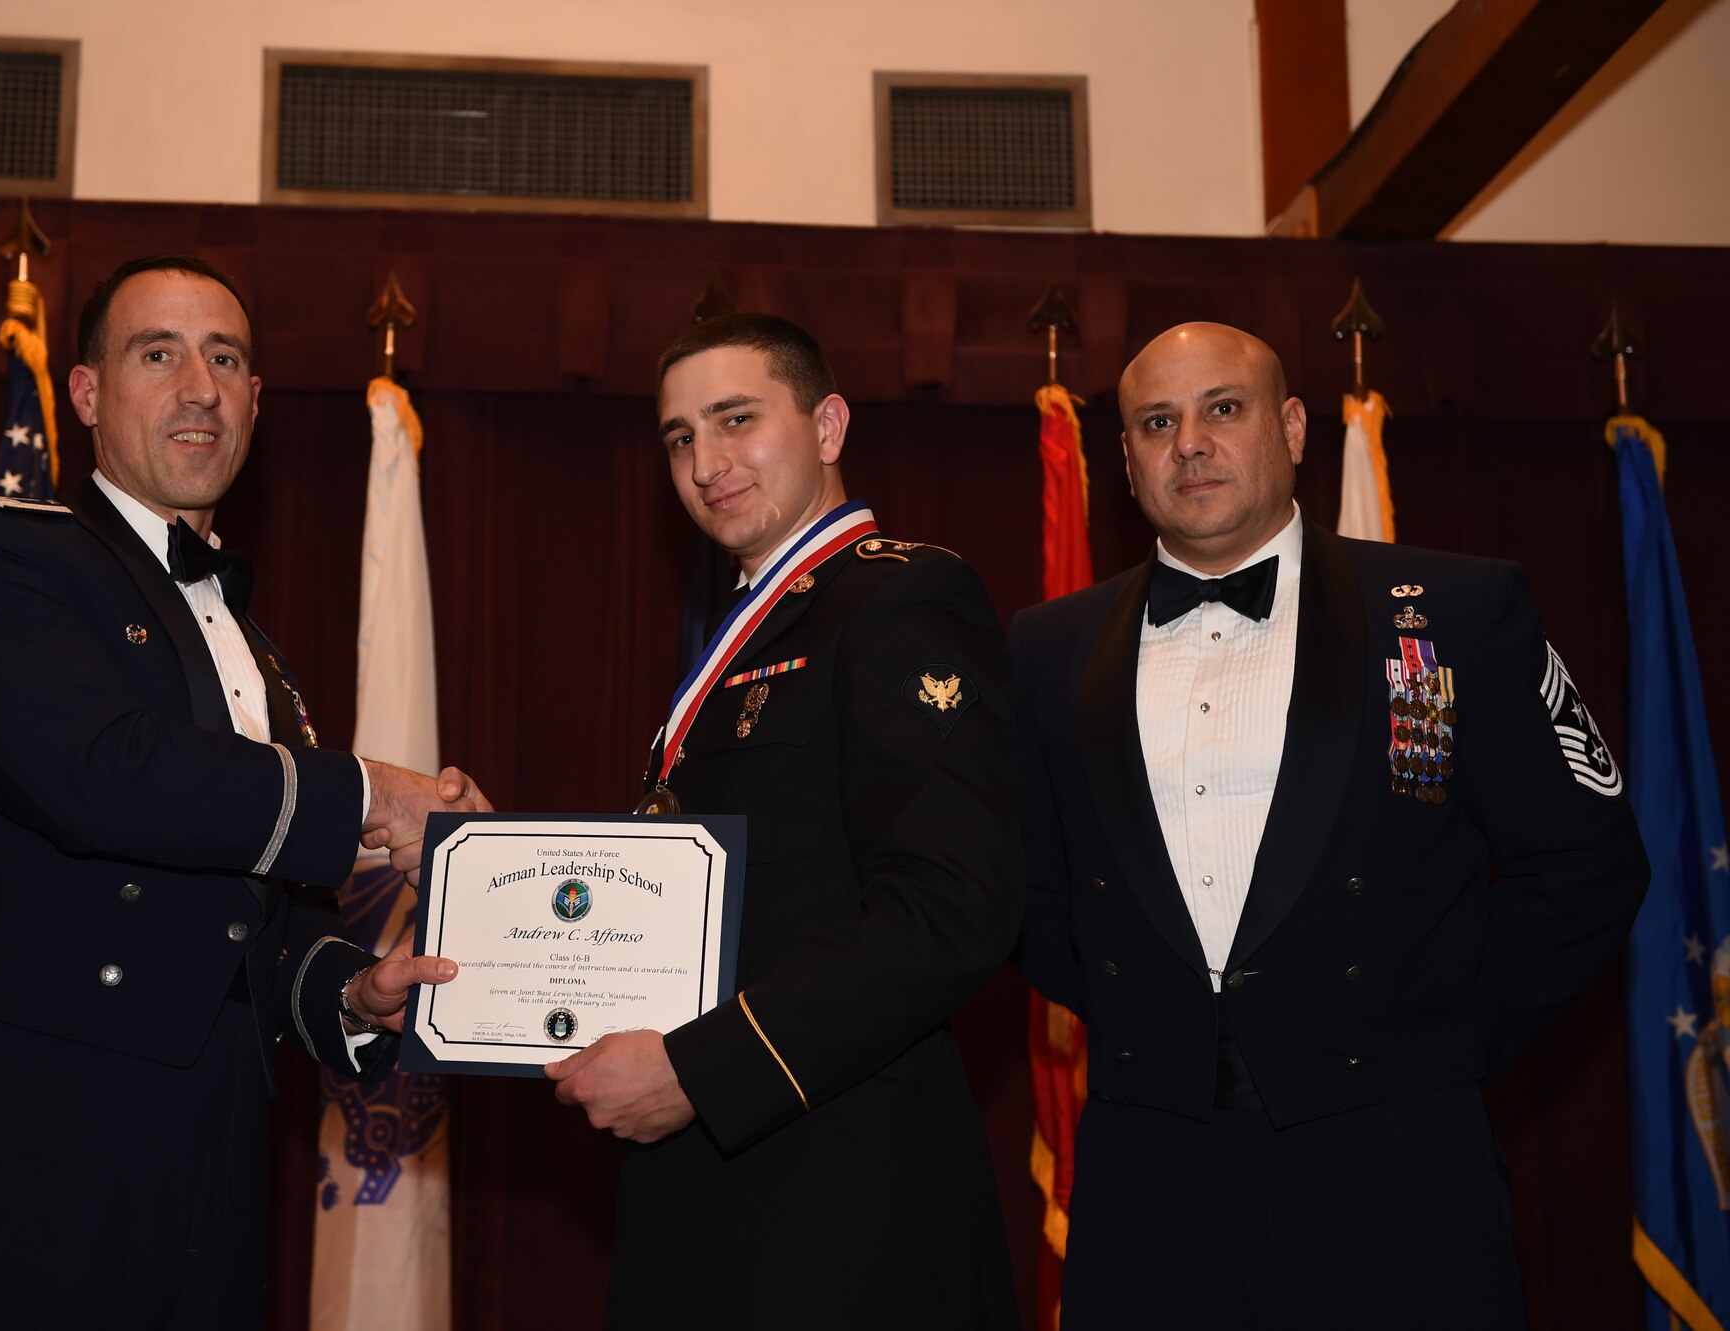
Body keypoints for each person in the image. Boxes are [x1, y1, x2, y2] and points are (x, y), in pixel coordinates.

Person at [0, 255, 483, 1331]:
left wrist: (344, 993)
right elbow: (105, 775)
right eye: (160, 353)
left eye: (225, 358)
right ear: (86, 394)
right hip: (28, 1139)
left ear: (252, 404)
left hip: (214, 1148)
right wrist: (375, 794)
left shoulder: (254, 650)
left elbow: (245, 915)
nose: (199, 385)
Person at [1013, 321, 1650, 1329]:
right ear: (1124, 455)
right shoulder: (1042, 649)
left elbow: (1584, 860)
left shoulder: (1450, 610)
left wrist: (1438, 1035)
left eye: (1222, 407)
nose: (1189, 441)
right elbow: (1028, 889)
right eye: (1155, 421)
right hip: (1148, 1178)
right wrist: (1145, 1008)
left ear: (1293, 425)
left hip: (1399, 1168)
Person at [544, 313, 1022, 1328]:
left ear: (828, 423)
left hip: (843, 1200)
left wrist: (699, 1068)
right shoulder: (760, 624)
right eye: (679, 437)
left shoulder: (898, 600)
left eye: (735, 420)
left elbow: (952, 905)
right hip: (726, 1183)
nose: (706, 462)